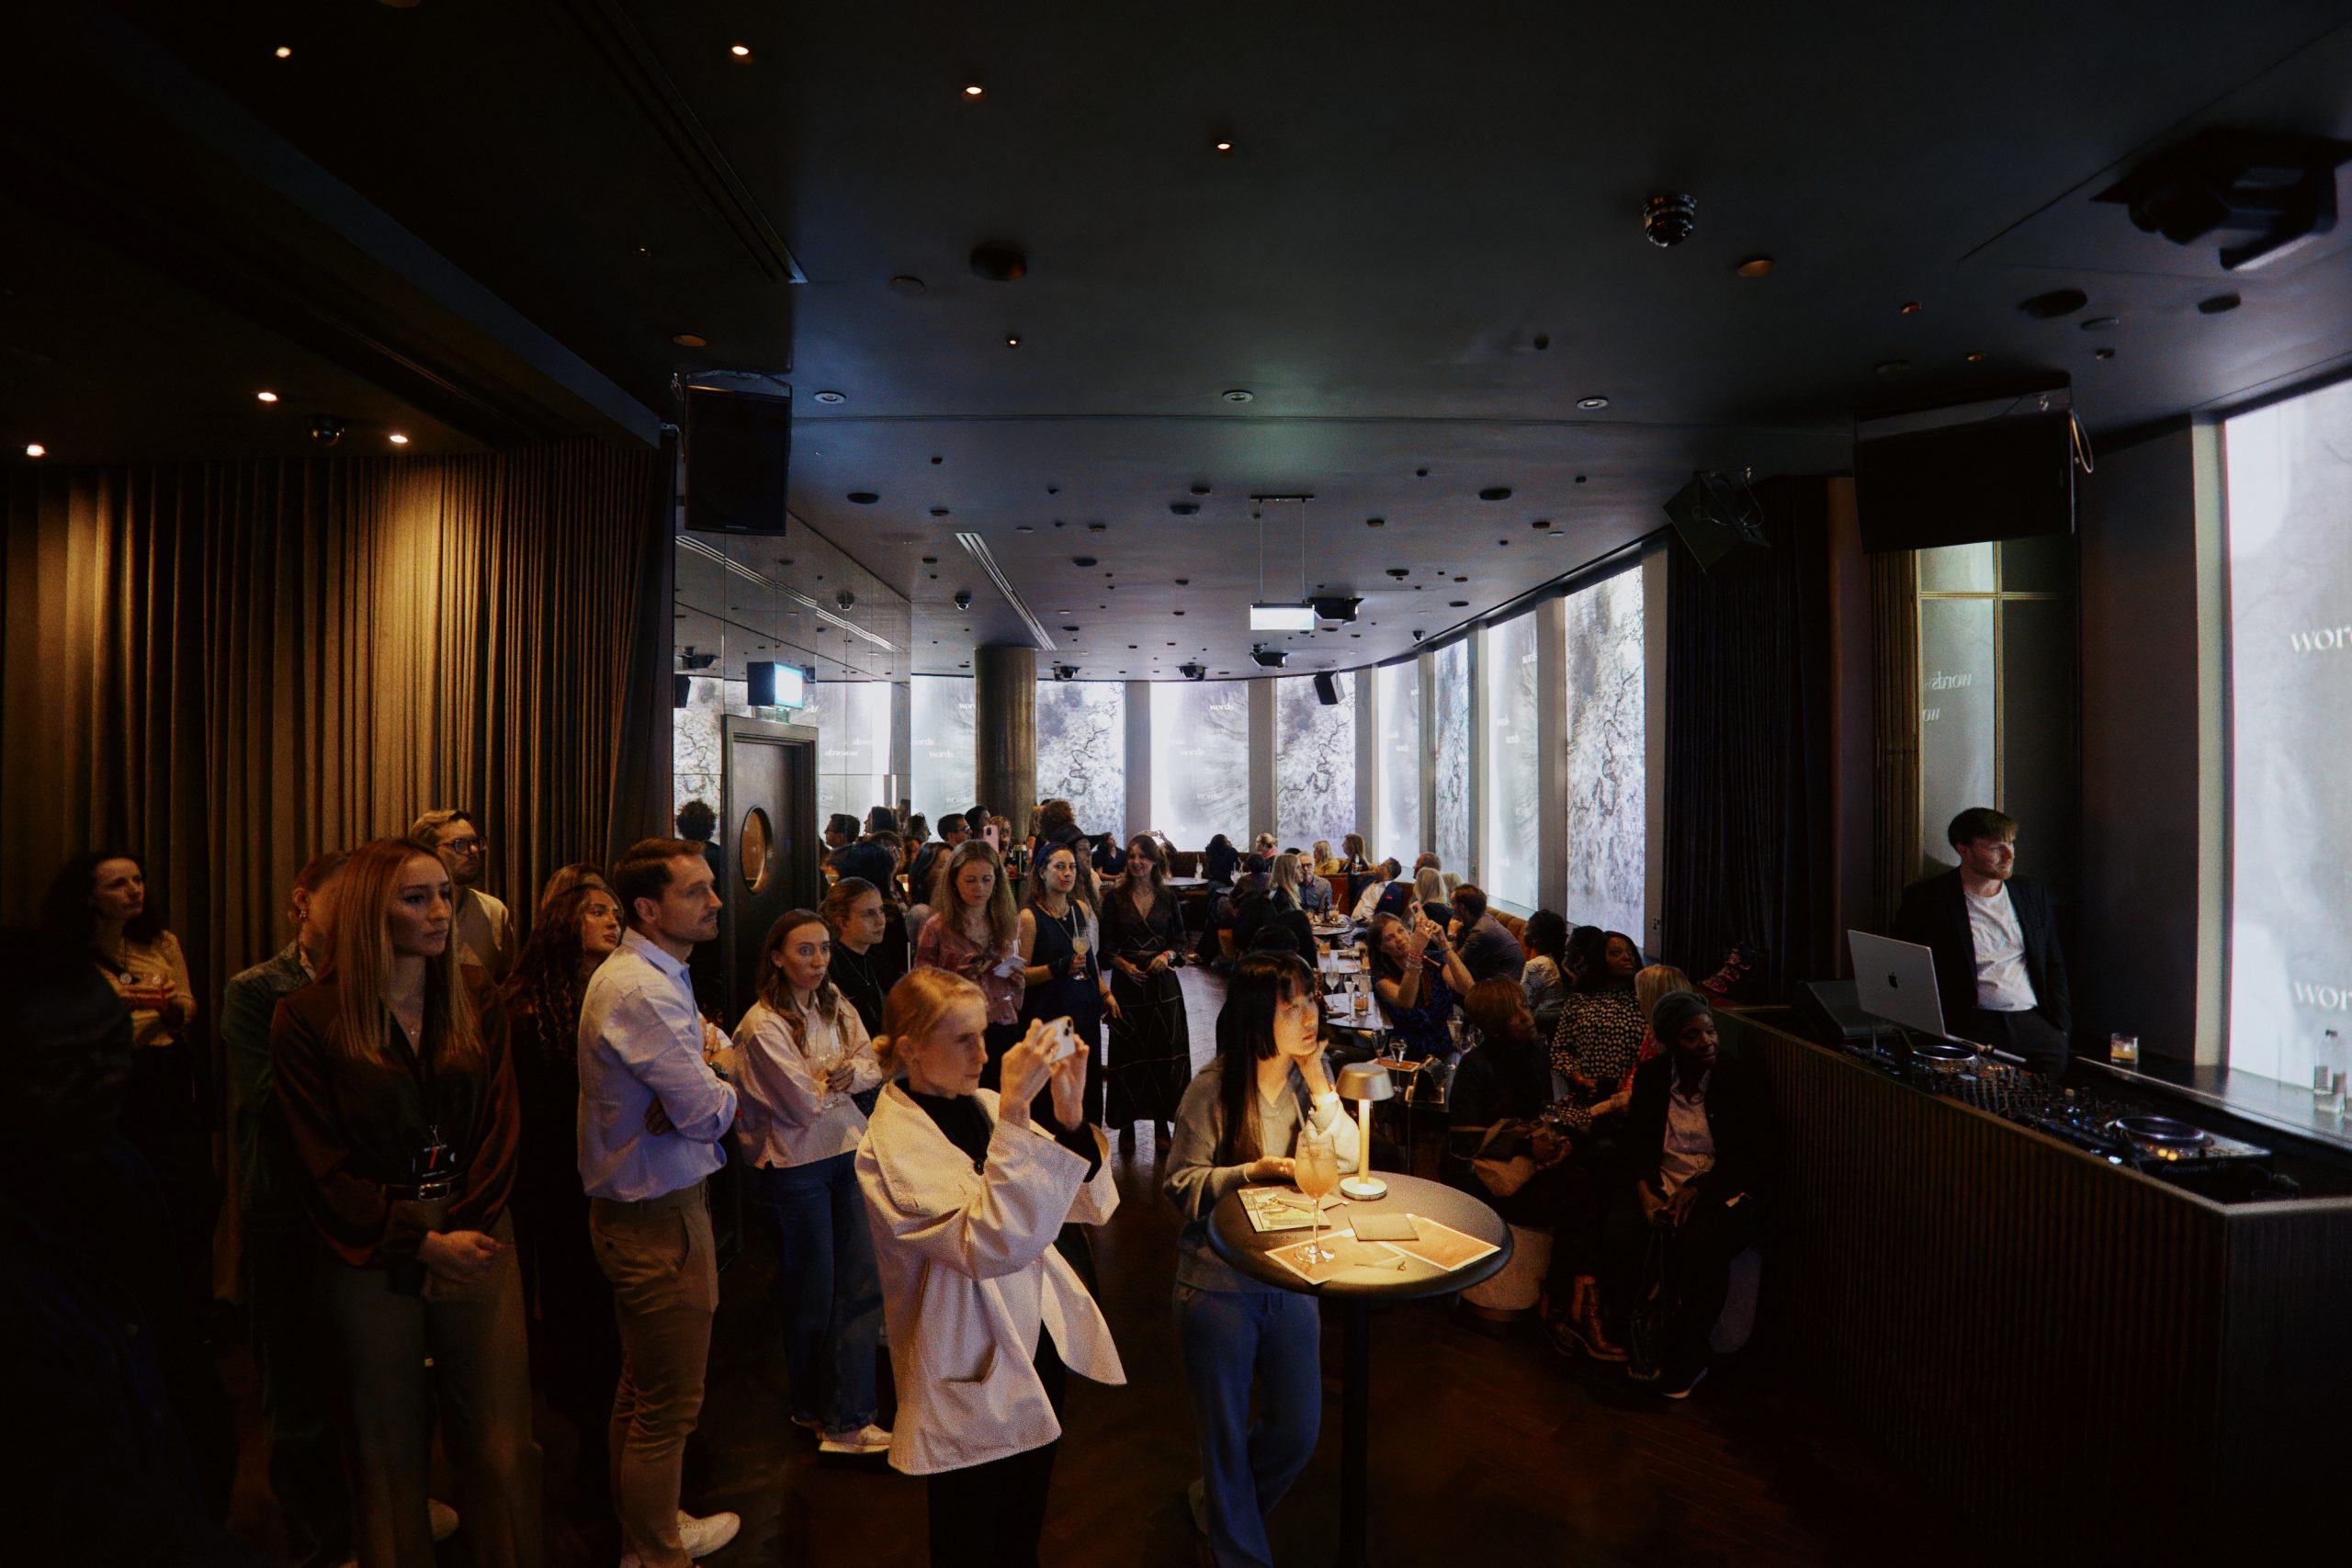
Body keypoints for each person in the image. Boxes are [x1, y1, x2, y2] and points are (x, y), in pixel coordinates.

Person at [270, 837, 540, 1568]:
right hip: (369, 1240)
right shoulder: (307, 1014)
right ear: (370, 910)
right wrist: (416, 1241)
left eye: (444, 893)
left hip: (477, 1225)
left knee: (503, 1443)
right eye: (416, 898)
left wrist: (465, 1229)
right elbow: (315, 1157)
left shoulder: (476, 993)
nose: (440, 911)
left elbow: (502, 1122)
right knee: (384, 1448)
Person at [857, 971, 1124, 1566]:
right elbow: (985, 1243)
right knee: (970, 1533)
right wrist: (1018, 1111)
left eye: (983, 1035)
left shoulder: (981, 1104)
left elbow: (1079, 1202)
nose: (983, 1054)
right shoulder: (892, 1145)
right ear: (910, 1048)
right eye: (963, 1040)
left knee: (1023, 1517)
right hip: (966, 1356)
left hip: (1033, 1338)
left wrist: (1070, 1117)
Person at [4, 927, 247, 1562]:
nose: (109, 1077)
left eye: (114, 1049)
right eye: (68, 1063)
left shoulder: (120, 1168)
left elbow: (169, 1343)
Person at [577, 839, 742, 1568]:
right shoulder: (640, 988)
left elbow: (705, 1067)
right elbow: (708, 1112)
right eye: (696, 890)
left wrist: (705, 1068)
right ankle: (656, 1552)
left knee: (643, 1391)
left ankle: (647, 1536)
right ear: (648, 907)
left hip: (650, 1210)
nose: (715, 900)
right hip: (657, 1218)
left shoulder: (655, 974)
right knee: (666, 1408)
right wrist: (720, 1071)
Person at [1164, 952, 1359, 1568]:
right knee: (1223, 1437)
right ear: (1256, 1016)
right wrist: (1250, 1171)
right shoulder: (1213, 1088)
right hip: (1217, 1280)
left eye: (1310, 999)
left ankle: (1219, 1506)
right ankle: (1238, 1549)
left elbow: (1347, 1162)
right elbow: (1180, 1183)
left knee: (1298, 1429)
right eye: (1290, 1005)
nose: (1309, 1014)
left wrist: (1319, 1076)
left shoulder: (1307, 1085)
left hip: (1293, 1270)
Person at [221, 852, 367, 1566]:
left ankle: (375, 1514)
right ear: (301, 901)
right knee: (296, 1385)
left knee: (369, 1373)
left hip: (360, 1202)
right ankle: (318, 1541)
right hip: (286, 1206)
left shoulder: (375, 982)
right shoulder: (258, 990)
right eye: (345, 899)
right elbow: (272, 1100)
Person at [734, 910, 890, 1456]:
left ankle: (848, 1413)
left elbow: (873, 1061)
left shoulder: (834, 1001)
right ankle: (814, 1406)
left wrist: (846, 1074)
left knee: (860, 1284)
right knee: (814, 1293)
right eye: (805, 950)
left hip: (848, 1148)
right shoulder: (762, 1024)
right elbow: (800, 1105)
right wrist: (838, 1079)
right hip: (795, 1163)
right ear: (777, 957)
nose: (819, 960)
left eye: (824, 948)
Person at [40, 849, 215, 1314]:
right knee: (119, 1193)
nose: (134, 890)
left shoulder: (161, 943)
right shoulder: (67, 952)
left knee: (192, 1191)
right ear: (89, 896)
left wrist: (167, 1006)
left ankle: (171, 1298)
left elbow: (187, 1005)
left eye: (137, 880)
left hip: (163, 1074)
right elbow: (62, 1019)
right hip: (107, 1078)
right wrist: (117, 1001)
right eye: (118, 884)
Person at [503, 879, 627, 1483]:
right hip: (556, 1175)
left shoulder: (619, 990)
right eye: (596, 911)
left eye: (616, 912)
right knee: (575, 1302)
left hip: (610, 1170)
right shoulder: (528, 1007)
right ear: (562, 922)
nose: (612, 921)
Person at [1448, 980, 1622, 1361]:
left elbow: (1544, 1114)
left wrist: (1558, 1142)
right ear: (1495, 1025)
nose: (1527, 1017)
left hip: (1532, 1169)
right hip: (1492, 1183)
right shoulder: (1475, 1067)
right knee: (1578, 1191)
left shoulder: (1535, 1053)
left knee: (1599, 1171)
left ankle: (1571, 1301)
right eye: (1515, 1013)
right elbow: (1462, 1142)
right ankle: (1573, 1307)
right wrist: (1527, 1145)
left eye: (1525, 1007)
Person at [1626, 991, 1770, 1399]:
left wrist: (1697, 1189)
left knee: (1701, 1246)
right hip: (1662, 1180)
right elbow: (1636, 1143)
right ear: (1671, 1042)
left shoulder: (1737, 1078)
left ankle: (1688, 1354)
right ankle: (1636, 1341)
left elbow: (1752, 1157)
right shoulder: (1654, 1075)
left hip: (1722, 1187)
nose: (1707, 1042)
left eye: (1710, 1031)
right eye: (1692, 1036)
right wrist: (1646, 1193)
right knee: (1622, 1232)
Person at [1894, 807, 2073, 1077]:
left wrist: (2061, 1027)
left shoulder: (2031, 892)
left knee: (2048, 1096)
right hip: (1970, 1024)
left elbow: (2053, 960)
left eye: (2011, 844)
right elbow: (1907, 966)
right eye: (1995, 848)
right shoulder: (1928, 897)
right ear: (1964, 850)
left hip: (2034, 1024)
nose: (2009, 855)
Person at [1020, 841, 1119, 1128]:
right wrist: (1057, 969)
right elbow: (1022, 975)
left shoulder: (1081, 910)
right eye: (1059, 867)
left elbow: (1088, 961)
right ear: (1042, 872)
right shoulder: (1030, 917)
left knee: (1086, 1083)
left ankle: (1088, 1144)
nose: (1067, 873)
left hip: (1084, 1009)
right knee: (1058, 1086)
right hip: (1053, 1013)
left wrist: (1105, 992)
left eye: (1072, 867)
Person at [1102, 834, 1193, 1144]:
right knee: (1128, 1054)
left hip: (1162, 987)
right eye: (1131, 856)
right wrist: (1124, 966)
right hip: (1127, 986)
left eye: (1143, 856)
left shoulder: (1167, 897)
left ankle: (1161, 1123)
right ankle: (1126, 1123)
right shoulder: (1114, 898)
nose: (1136, 862)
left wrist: (1166, 956)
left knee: (1163, 1055)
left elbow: (1180, 940)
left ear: (1155, 861)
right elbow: (1105, 946)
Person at [913, 840, 1027, 1084]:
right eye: (970, 880)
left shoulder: (1006, 922)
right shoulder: (937, 927)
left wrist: (1016, 977)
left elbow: (1016, 988)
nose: (979, 888)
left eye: (986, 880)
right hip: (958, 1029)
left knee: (1003, 1098)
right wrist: (956, 978)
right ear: (954, 881)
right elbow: (920, 986)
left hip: (1001, 1023)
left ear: (997, 881)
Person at [1549, 931, 1647, 1139]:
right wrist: (1580, 1079)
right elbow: (1559, 1050)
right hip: (1587, 1094)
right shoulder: (1580, 1000)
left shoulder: (1644, 1001)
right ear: (1600, 959)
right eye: (1616, 953)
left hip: (1633, 1095)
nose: (1627, 957)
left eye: (1630, 952)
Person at [411, 808, 515, 979]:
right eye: (459, 844)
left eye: (476, 842)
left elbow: (506, 982)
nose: (473, 850)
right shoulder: (407, 911)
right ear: (427, 852)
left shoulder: (494, 912)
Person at [1368, 909, 1476, 1062]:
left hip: (1444, 1046)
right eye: (1389, 938)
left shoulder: (1433, 960)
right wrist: (1415, 954)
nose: (1399, 939)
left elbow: (1469, 989)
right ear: (1380, 947)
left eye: (1400, 931)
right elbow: (1406, 1001)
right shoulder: (1381, 977)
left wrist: (1444, 945)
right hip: (1406, 1052)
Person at [822, 876, 905, 1039]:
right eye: (869, 914)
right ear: (842, 922)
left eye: (881, 910)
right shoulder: (830, 966)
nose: (880, 921)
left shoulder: (876, 961)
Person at [1236, 854, 1316, 958]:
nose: (1302, 871)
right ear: (1289, 871)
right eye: (1298, 867)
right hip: (1284, 953)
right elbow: (1287, 932)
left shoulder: (1280, 893)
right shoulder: (1283, 898)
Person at [1450, 884, 1526, 985]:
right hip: (1493, 973)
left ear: (1463, 908)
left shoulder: (1480, 931)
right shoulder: (1481, 917)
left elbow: (1455, 964)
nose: (1451, 908)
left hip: (1506, 984)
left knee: (1444, 971)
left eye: (1453, 903)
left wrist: (1451, 934)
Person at [1519, 909, 1571, 1043]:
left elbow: (1523, 1003)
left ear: (1535, 937)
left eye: (1526, 930)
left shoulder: (1538, 965)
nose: (1524, 933)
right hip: (1563, 1028)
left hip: (1540, 1028)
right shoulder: (1566, 959)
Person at [1634, 964, 1697, 1062]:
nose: (1636, 998)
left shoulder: (1678, 1045)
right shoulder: (1654, 1030)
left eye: (1640, 993)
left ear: (1654, 998)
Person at [1351, 857, 1403, 922]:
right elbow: (1352, 891)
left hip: (1369, 925)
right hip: (1351, 920)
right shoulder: (1368, 880)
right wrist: (1354, 872)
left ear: (1387, 873)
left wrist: (1371, 922)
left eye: (1382, 865)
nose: (1378, 865)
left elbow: (1392, 917)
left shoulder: (1394, 892)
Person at [1294, 851, 1334, 915]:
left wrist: (1315, 918)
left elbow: (1324, 912)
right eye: (1302, 866)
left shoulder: (1324, 884)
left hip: (1317, 919)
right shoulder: (1292, 884)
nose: (1305, 869)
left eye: (1309, 865)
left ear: (1314, 867)